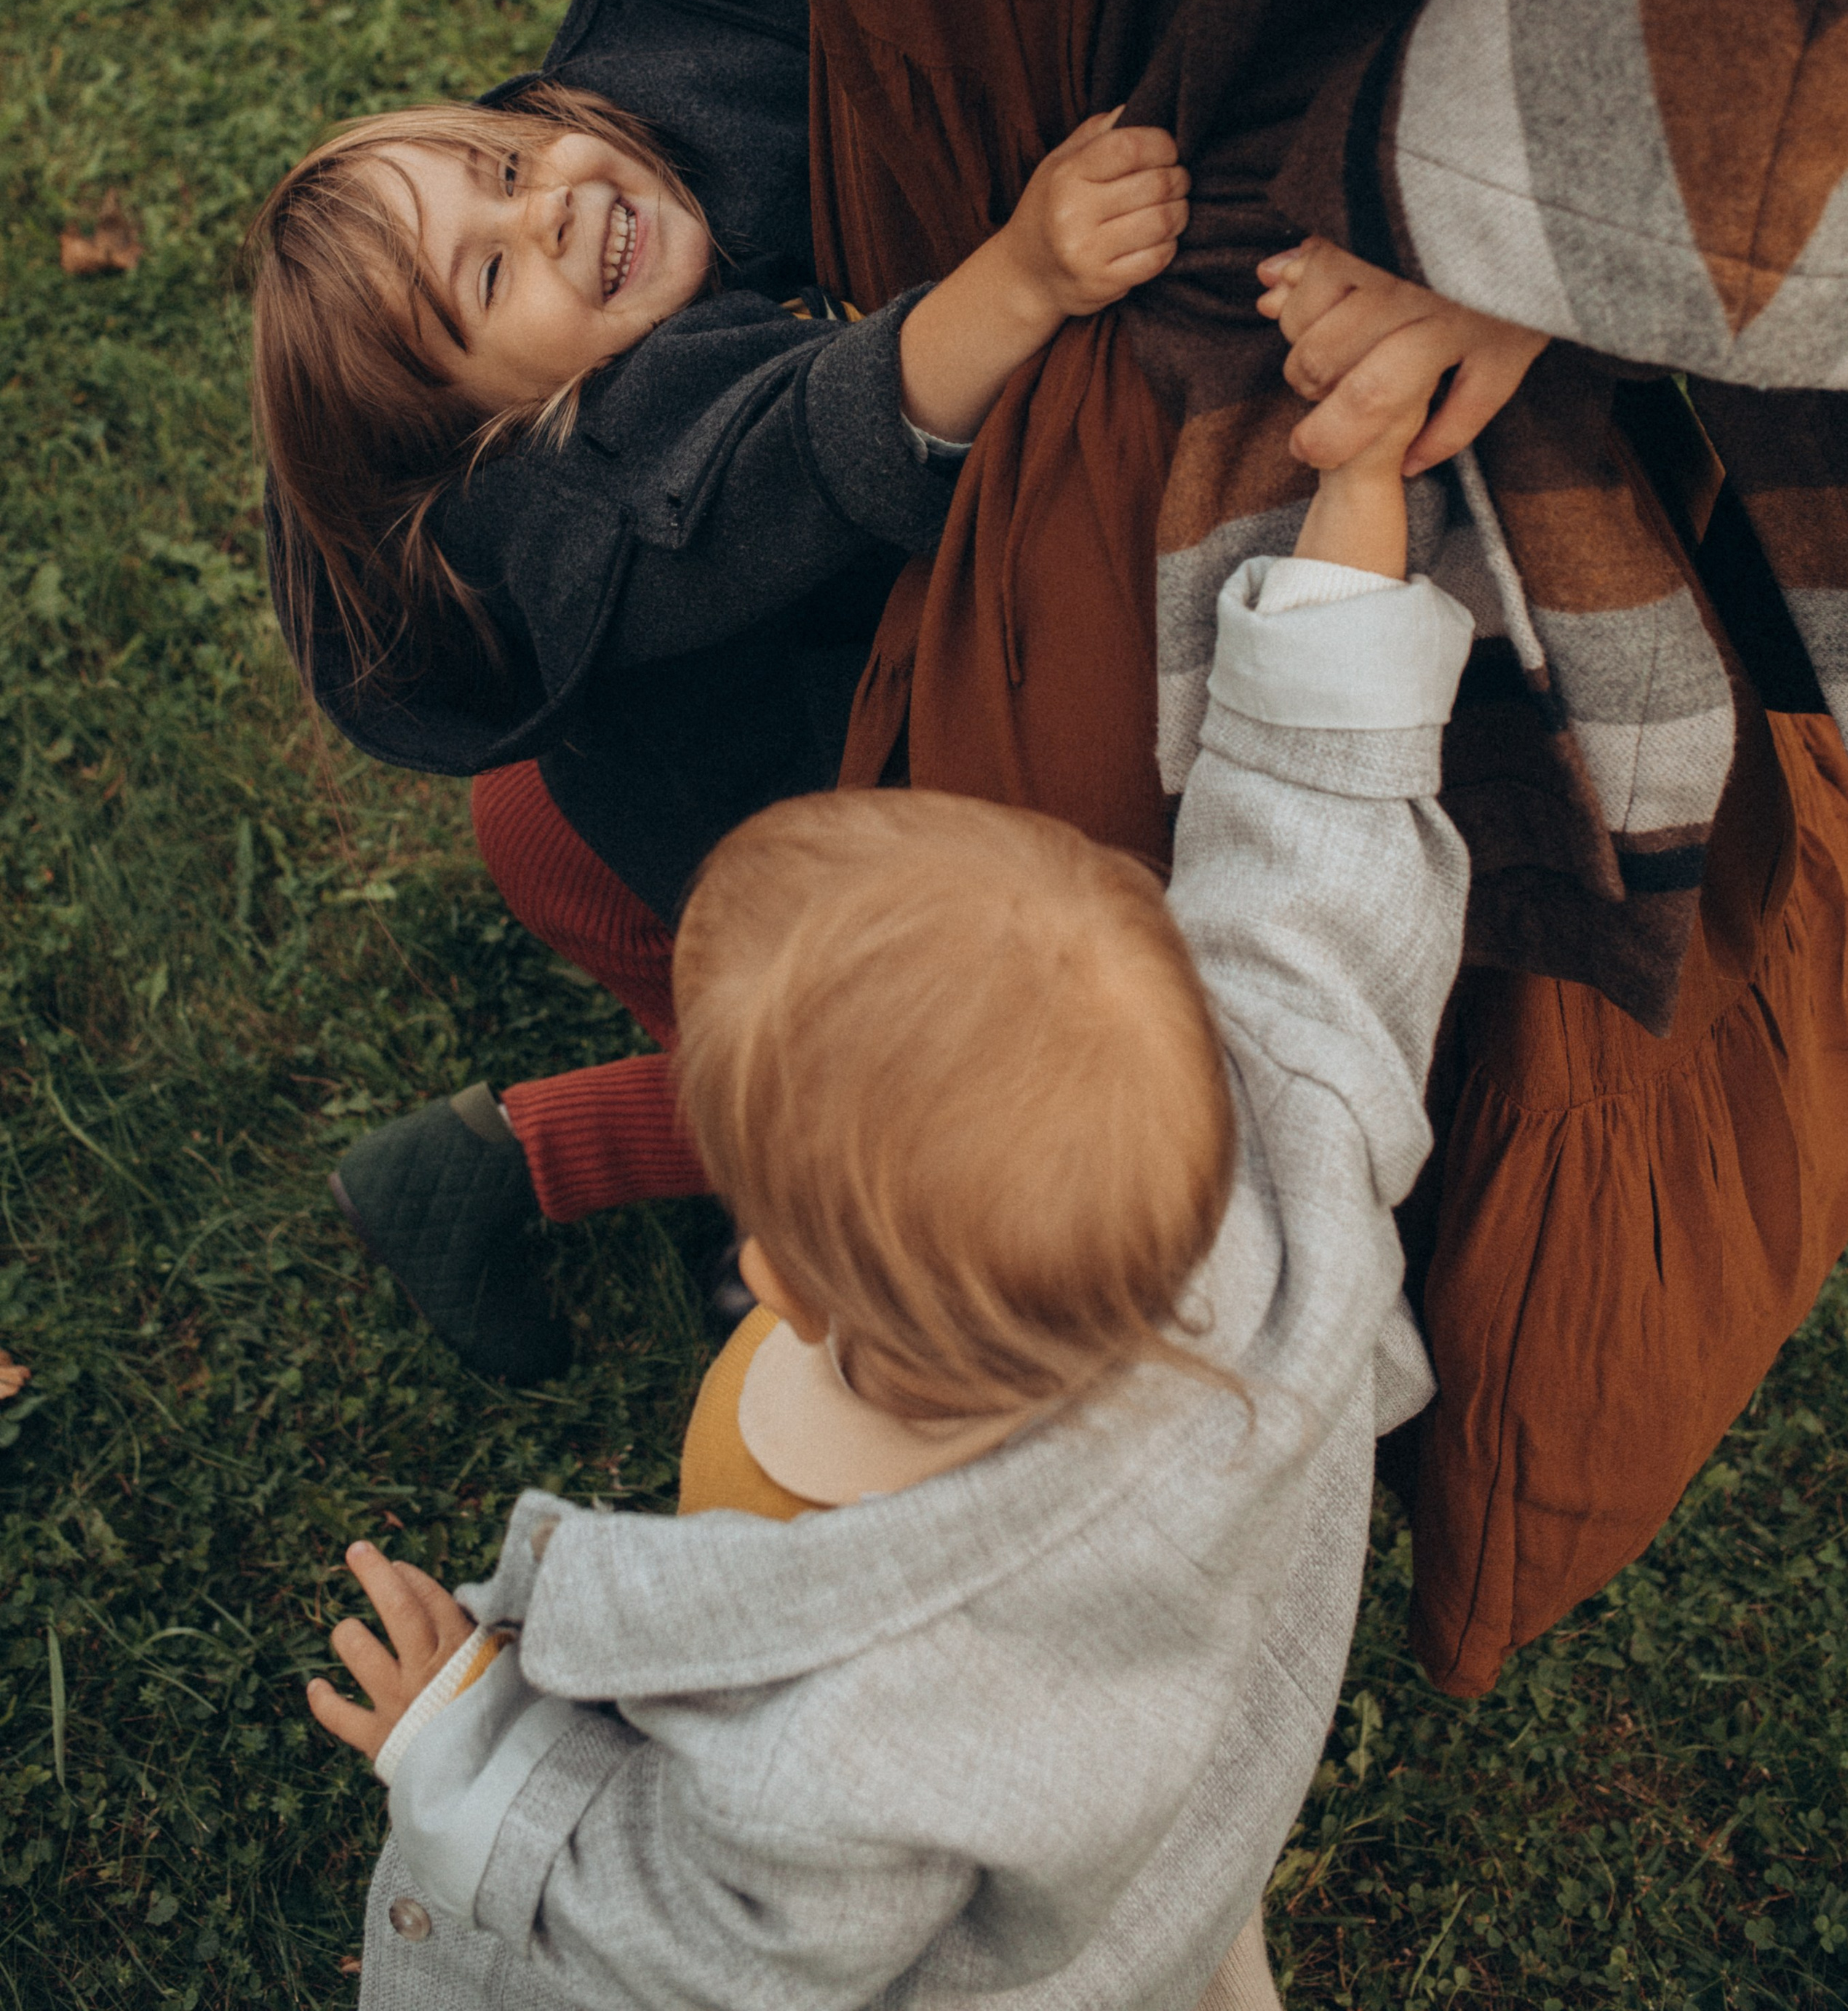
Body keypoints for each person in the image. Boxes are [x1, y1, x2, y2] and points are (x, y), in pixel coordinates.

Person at [727, 0, 1848, 1695]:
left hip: (1269, 261)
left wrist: (1527, 217)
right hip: (1053, 166)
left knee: (1191, 1001)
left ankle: (1083, 1439)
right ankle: (821, 1150)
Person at [306, 327, 1478, 2011]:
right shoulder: (1277, 1199)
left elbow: (700, 1946)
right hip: (1177, 1780)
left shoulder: (844, 1726)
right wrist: (1360, 486)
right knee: (1160, 1892)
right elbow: (1316, 853)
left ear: (770, 1275)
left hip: (1007, 1961)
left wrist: (466, 1747)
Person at [247, 67, 1185, 1377]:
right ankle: (529, 1164)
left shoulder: (625, 305)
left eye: (511, 170)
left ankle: (694, 1121)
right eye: (489, 280)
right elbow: (810, 442)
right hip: (803, 870)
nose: (555, 212)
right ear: (488, 447)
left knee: (621, 900)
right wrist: (1022, 277)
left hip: (613, 824)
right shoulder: (602, 502)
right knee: (901, 1096)